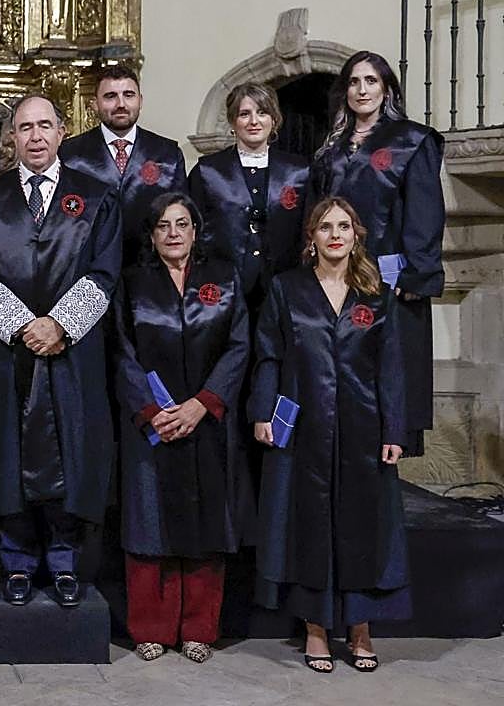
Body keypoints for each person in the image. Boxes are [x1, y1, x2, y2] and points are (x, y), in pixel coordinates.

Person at [0, 95, 121, 609]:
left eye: (44, 126)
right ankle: (16, 561)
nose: (34, 136)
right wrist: (22, 327)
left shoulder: (96, 197)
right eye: (25, 128)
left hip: (71, 353)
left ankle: (64, 562)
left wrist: (59, 325)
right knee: (9, 457)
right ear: (12, 137)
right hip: (10, 352)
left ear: (61, 132)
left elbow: (103, 273)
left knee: (70, 456)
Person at [251, 196, 410, 673]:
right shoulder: (286, 289)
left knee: (363, 526)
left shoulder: (376, 293)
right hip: (304, 427)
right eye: (325, 227)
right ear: (312, 237)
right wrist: (263, 411)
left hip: (363, 429)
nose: (335, 234)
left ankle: (360, 629)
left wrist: (394, 428)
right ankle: (316, 629)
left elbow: (392, 367)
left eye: (344, 225)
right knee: (309, 525)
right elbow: (268, 355)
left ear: (357, 233)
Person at [113, 193, 250, 663]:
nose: (173, 233)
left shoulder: (224, 279)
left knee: (207, 525)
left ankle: (198, 629)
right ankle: (150, 627)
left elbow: (239, 346)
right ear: (151, 236)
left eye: (182, 224)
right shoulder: (131, 283)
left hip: (207, 423)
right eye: (164, 226)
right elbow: (122, 352)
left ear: (196, 230)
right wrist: (152, 411)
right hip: (151, 425)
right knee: (149, 525)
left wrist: (202, 404)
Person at [308, 50, 444, 456]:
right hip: (334, 274)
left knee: (387, 377)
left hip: (390, 276)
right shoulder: (333, 147)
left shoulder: (411, 140)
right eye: (353, 81)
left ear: (386, 89)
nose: (361, 89)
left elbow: (425, 211)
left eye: (370, 81)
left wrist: (417, 274)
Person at [188, 82, 309, 311]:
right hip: (223, 289)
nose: (254, 121)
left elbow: (306, 231)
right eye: (245, 114)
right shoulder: (207, 171)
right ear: (233, 122)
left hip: (283, 286)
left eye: (262, 113)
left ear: (274, 120)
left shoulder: (299, 171)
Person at [61, 63, 188, 264]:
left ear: (140, 100)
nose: (121, 104)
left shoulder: (167, 154)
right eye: (110, 96)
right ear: (94, 104)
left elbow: (181, 218)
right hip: (89, 267)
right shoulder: (70, 154)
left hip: (152, 268)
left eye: (129, 95)